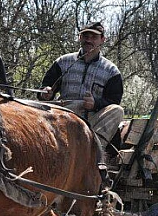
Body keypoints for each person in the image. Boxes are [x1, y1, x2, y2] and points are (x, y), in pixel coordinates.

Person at [38, 21, 125, 157]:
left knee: (117, 110)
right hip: (63, 113)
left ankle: (92, 152)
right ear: (80, 37)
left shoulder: (111, 71)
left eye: (94, 37)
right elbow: (45, 87)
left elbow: (114, 100)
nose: (88, 40)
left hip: (92, 119)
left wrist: (95, 104)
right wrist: (46, 93)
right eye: (85, 36)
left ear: (102, 39)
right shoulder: (63, 61)